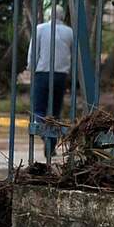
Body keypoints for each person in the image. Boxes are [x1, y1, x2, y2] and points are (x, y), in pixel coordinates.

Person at [28, 8, 74, 159]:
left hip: (43, 73)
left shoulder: (40, 29)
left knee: (38, 109)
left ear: (48, 15)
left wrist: (31, 69)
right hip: (61, 75)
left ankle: (46, 136)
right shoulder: (69, 32)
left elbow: (33, 53)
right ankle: (51, 142)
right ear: (63, 16)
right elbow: (73, 55)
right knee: (55, 111)